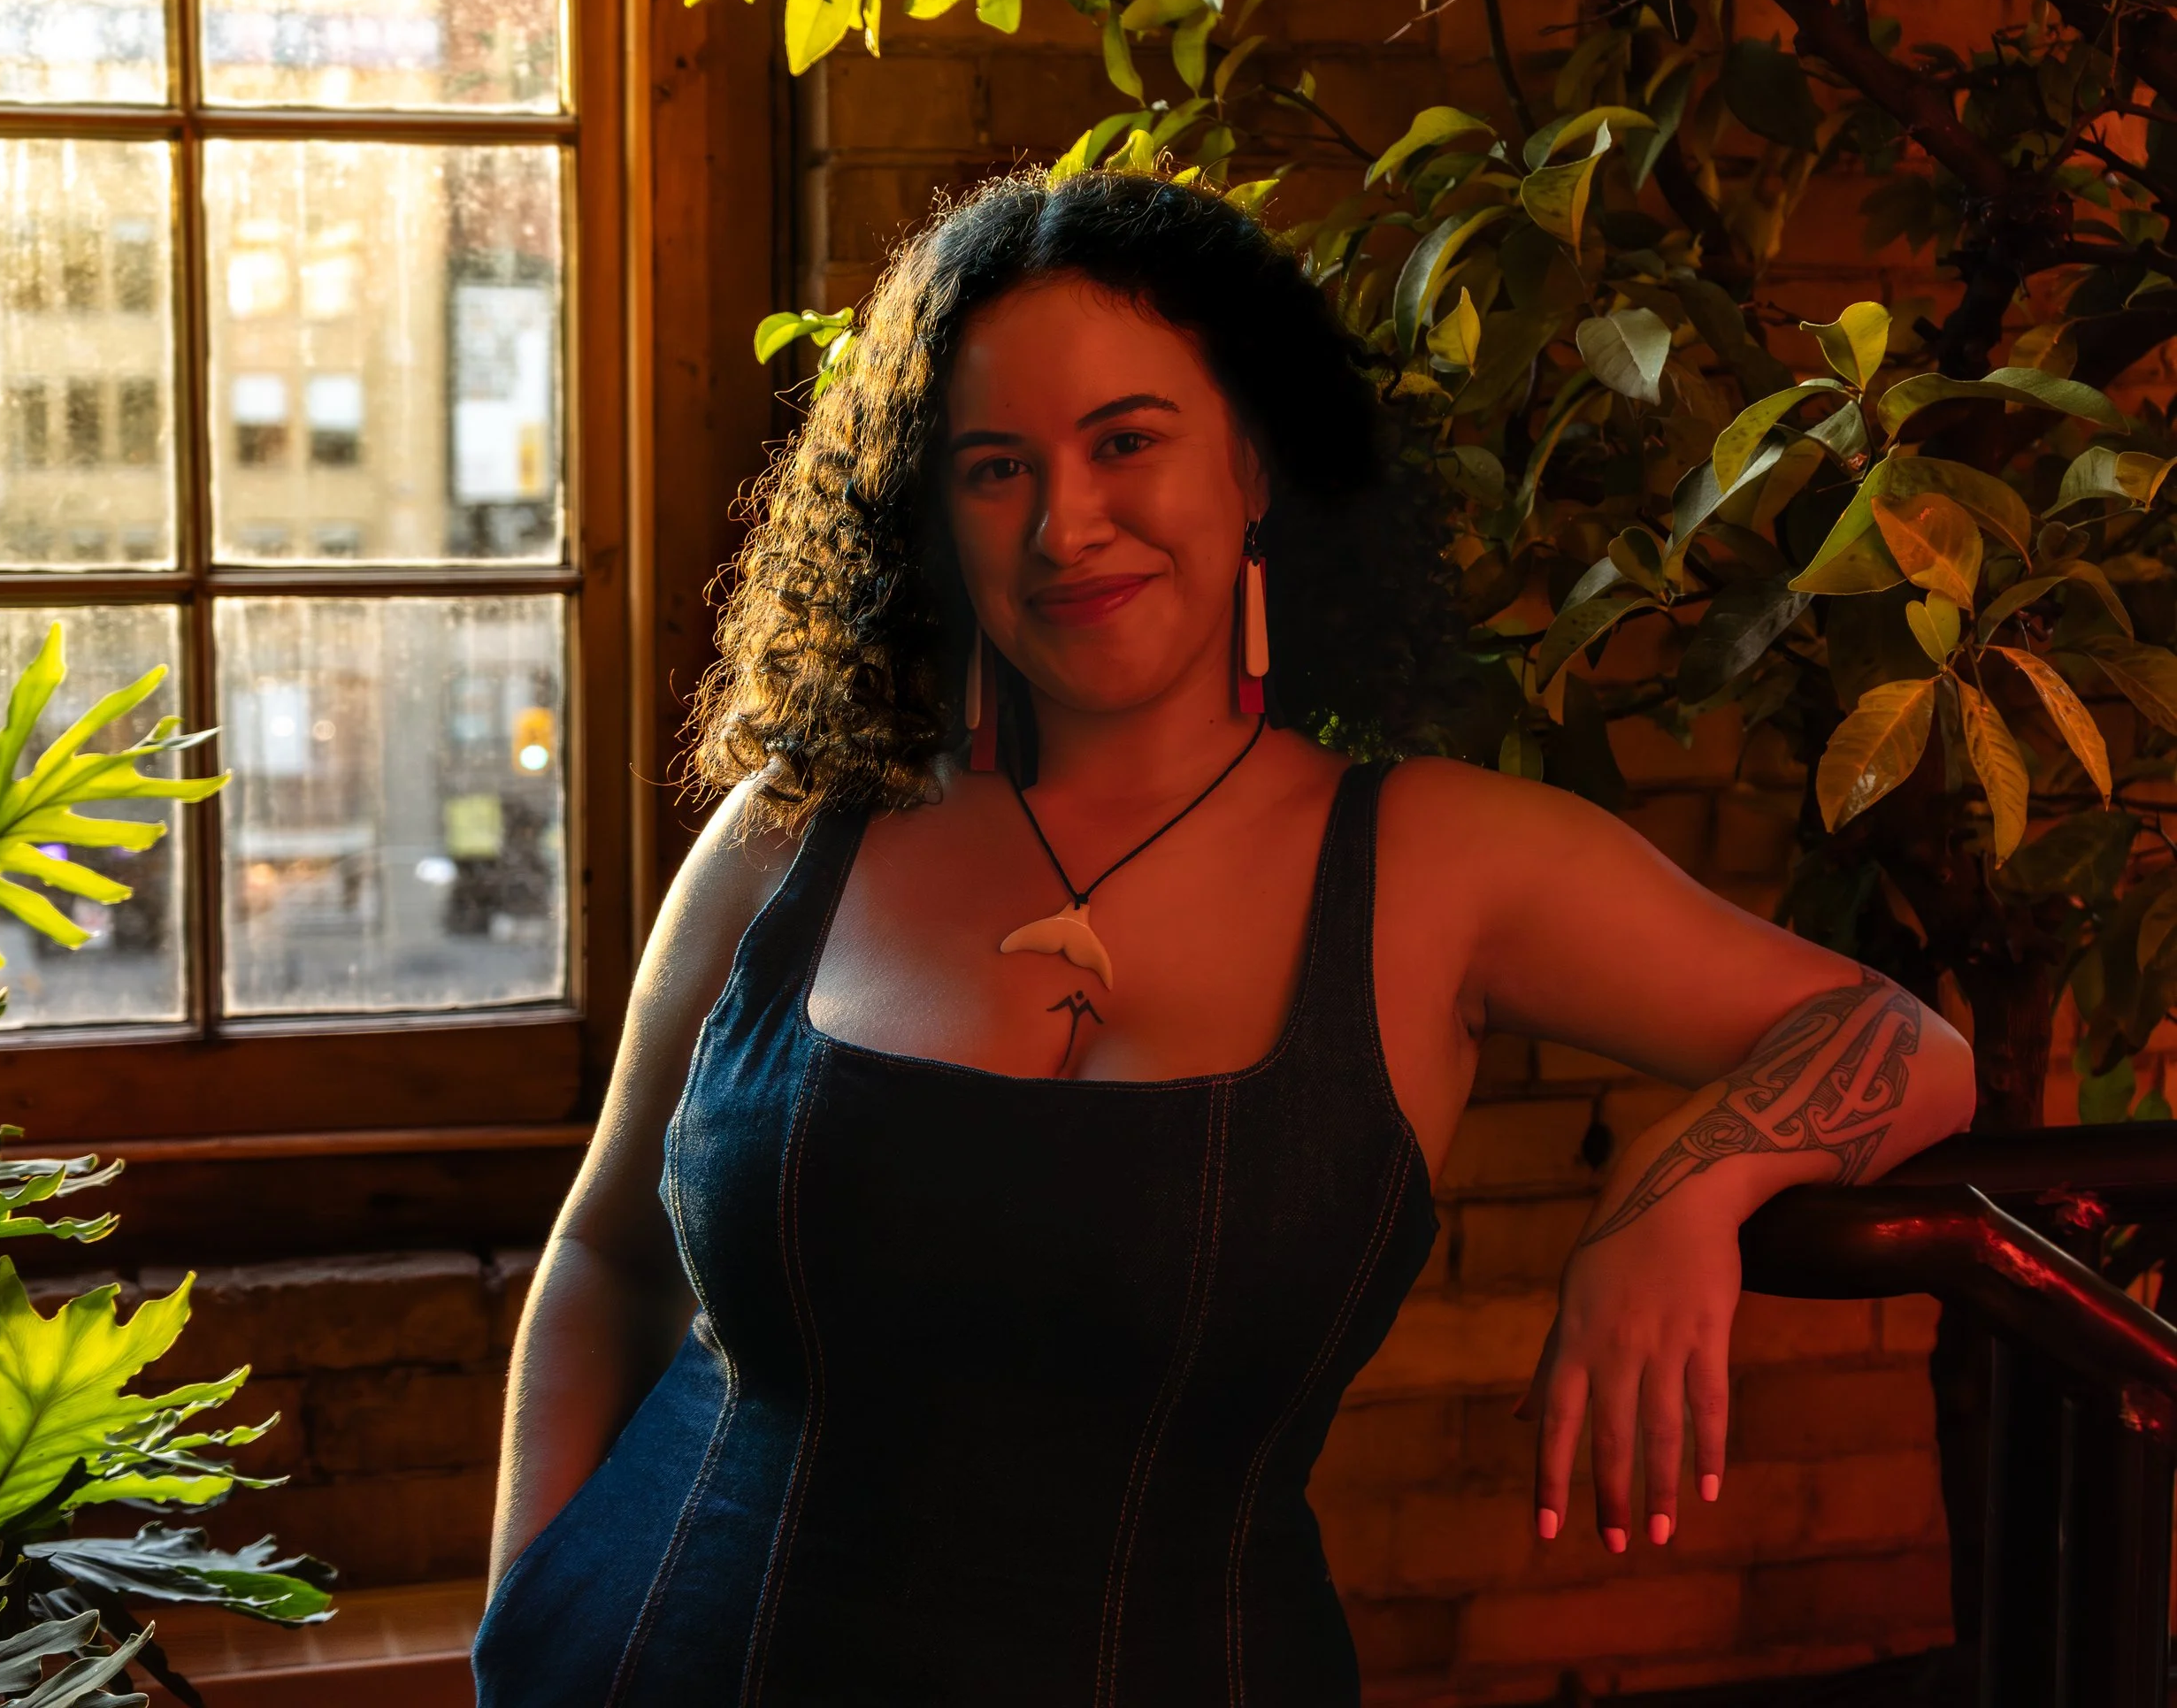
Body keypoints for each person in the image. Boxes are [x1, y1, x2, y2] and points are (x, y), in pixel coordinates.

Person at [472, 167, 1975, 1707]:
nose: (1066, 524)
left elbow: (1905, 1045)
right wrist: (521, 1617)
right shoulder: (796, 831)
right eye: (995, 468)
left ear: (1254, 464)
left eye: (1126, 441)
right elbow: (604, 1259)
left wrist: (1678, 1192)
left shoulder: (1442, 860)